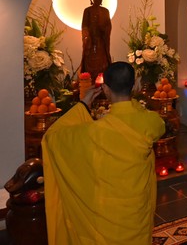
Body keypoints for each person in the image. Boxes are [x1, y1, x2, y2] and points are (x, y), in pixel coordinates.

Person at [42, 62, 165, 245]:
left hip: (106, 216)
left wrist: (84, 104)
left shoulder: (94, 132)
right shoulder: (151, 121)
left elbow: (52, 137)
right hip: (136, 211)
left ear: (105, 89)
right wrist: (131, 108)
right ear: (133, 86)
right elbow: (160, 125)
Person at [80, 0, 112, 81]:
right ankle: (89, 81)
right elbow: (84, 26)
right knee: (89, 62)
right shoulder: (87, 11)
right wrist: (88, 37)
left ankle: (101, 82)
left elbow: (108, 26)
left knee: (102, 63)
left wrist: (104, 29)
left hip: (101, 42)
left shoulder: (105, 11)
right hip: (90, 43)